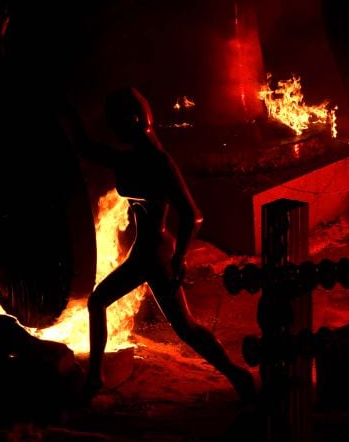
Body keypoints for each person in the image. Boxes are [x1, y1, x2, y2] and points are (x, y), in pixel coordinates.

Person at [63, 87, 254, 401]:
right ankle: (238, 376)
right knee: (181, 326)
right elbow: (87, 147)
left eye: (118, 121)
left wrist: (179, 259)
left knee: (179, 326)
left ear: (135, 119)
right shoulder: (133, 157)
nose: (114, 128)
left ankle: (238, 375)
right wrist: (67, 112)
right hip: (147, 252)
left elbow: (193, 215)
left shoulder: (158, 161)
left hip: (156, 255)